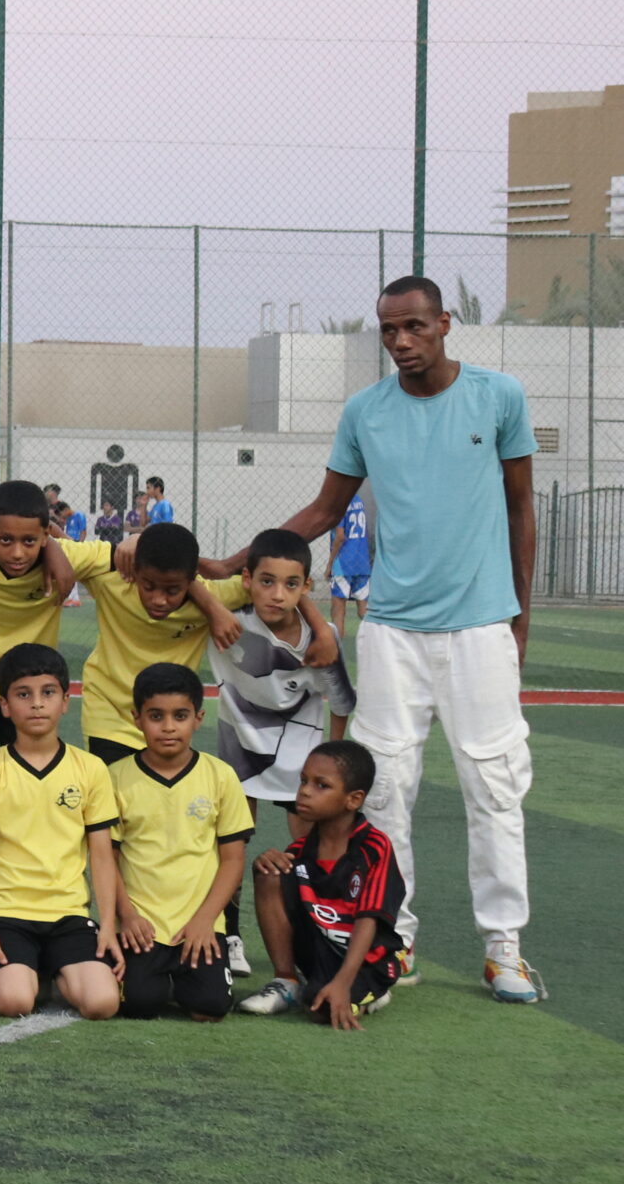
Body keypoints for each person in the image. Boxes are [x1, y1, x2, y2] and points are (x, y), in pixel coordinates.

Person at [263, 276, 539, 1002]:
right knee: (382, 791)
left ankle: (503, 948)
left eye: (415, 326)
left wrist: (520, 616)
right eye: (389, 330)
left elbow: (520, 507)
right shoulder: (366, 410)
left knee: (495, 785)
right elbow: (325, 509)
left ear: (445, 323)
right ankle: (395, 936)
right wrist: (245, 558)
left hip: (481, 626)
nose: (402, 341)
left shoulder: (499, 396)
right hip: (391, 630)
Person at [210, 527, 356, 977]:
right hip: (241, 749)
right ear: (247, 580)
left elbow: (341, 704)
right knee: (231, 844)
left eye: (291, 585)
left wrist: (331, 766)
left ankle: (318, 936)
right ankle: (229, 936)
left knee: (314, 850)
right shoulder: (225, 620)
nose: (277, 594)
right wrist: (212, 604)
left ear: (306, 586)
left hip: (301, 757)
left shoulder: (321, 638)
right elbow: (187, 580)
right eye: (266, 581)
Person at [0, 643, 123, 1021]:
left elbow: (101, 855)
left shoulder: (91, 768)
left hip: (68, 915)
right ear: (4, 705)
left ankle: (49, 970)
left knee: (102, 1003)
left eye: (48, 692)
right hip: (7, 914)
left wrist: (109, 927)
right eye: (23, 694)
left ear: (65, 701)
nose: (36, 704)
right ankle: (32, 973)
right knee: (13, 1002)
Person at [108, 663, 251, 1021]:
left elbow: (233, 860)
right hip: (143, 925)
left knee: (210, 1008)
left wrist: (206, 919)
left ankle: (186, 979)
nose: (169, 727)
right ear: (137, 718)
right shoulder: (115, 778)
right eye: (156, 716)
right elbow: (106, 858)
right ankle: (159, 980)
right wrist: (127, 915)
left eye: (180, 716)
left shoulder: (221, 776)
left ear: (199, 718)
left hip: (200, 923)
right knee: (138, 1004)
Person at [0, 480, 98, 795]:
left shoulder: (65, 554)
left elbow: (133, 555)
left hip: (32, 694)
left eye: (29, 540)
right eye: (6, 539)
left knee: (29, 788)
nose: (17, 552)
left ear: (44, 535)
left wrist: (56, 545)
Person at [238, 740, 405, 1027]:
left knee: (322, 1012)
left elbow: (369, 920)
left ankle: (373, 993)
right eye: (304, 781)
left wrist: (343, 982)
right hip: (319, 955)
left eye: (321, 785)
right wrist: (263, 863)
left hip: (367, 962)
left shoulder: (375, 847)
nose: (304, 791)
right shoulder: (299, 851)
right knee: (270, 871)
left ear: (353, 799)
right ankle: (286, 981)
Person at [73, 522, 251, 766]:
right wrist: (136, 540)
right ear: (135, 570)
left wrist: (316, 625)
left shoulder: (215, 596)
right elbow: (60, 549)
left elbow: (278, 579)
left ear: (192, 580)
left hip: (167, 721)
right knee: (112, 788)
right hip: (108, 716)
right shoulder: (111, 581)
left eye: (172, 591)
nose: (158, 599)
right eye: (148, 586)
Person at [327, 491, 372, 635]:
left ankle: (336, 647)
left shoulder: (340, 501)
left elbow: (340, 536)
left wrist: (330, 564)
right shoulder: (358, 499)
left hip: (343, 564)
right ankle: (374, 640)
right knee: (364, 610)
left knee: (338, 611)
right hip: (362, 562)